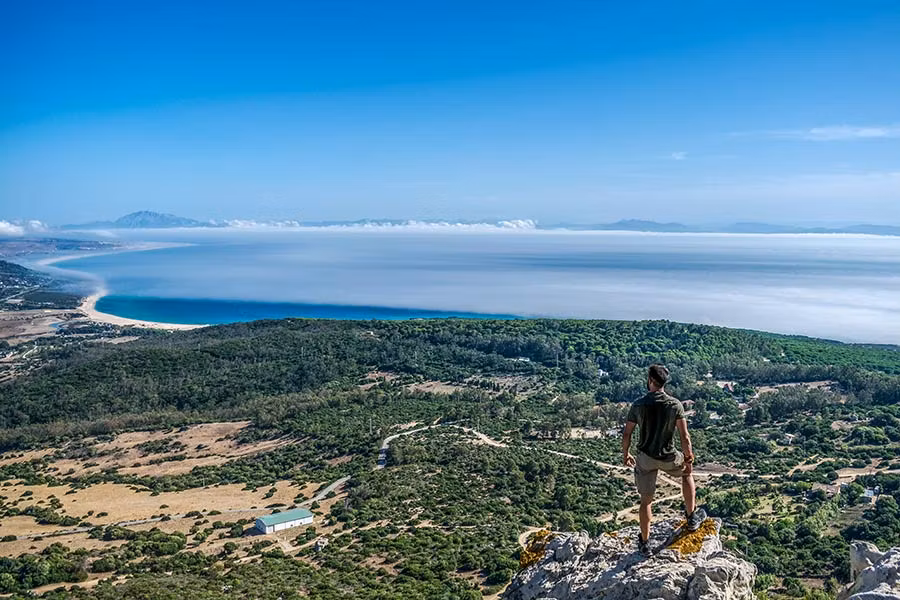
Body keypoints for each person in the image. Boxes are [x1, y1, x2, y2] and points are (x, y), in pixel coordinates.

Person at [623, 364, 706, 555]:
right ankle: (692, 517)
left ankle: (645, 543)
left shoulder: (638, 404)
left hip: (645, 458)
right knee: (687, 475)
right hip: (668, 456)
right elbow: (684, 436)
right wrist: (688, 458)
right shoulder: (674, 405)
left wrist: (625, 454)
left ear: (651, 380)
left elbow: (627, 433)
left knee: (646, 501)